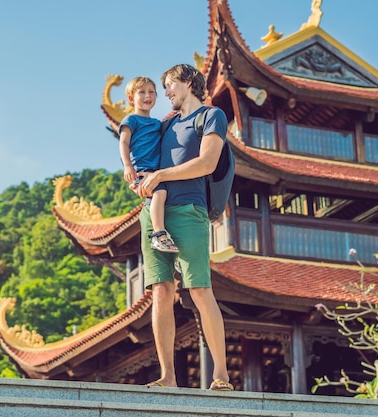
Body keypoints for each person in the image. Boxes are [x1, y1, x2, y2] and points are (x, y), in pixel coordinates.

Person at [135, 64, 233, 391]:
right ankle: (168, 377)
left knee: (200, 290)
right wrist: (137, 178)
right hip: (154, 212)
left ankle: (220, 375)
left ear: (189, 82)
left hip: (190, 210)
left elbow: (207, 162)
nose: (166, 93)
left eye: (170, 85)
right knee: (161, 292)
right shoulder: (165, 124)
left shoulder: (210, 116)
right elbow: (141, 151)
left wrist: (162, 175)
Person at [119, 76, 178, 253]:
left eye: (152, 92)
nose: (148, 96)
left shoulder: (157, 123)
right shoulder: (131, 120)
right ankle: (158, 235)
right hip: (142, 171)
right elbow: (123, 143)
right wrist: (128, 166)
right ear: (131, 98)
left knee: (165, 197)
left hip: (157, 171)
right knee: (159, 192)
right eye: (142, 92)